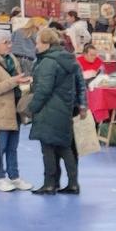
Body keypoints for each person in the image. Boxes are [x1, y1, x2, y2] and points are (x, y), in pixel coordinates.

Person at [26, 27, 84, 195]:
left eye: (37, 42)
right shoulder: (67, 59)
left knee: (48, 148)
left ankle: (49, 184)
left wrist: (31, 108)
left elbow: (43, 89)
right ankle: (73, 183)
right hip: (64, 108)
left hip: (48, 110)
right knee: (65, 148)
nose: (36, 46)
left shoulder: (48, 62)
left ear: (46, 43)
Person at [0, 28, 33, 192]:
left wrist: (23, 81)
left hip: (15, 110)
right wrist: (14, 81)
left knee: (12, 147)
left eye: (9, 42)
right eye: (6, 43)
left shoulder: (11, 59)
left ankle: (14, 176)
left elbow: (16, 79)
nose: (9, 45)